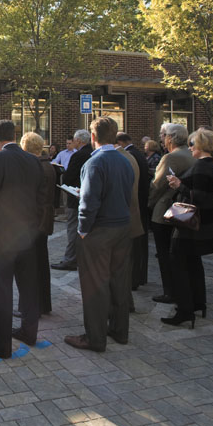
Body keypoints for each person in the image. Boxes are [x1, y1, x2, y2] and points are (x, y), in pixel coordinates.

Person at [64, 116, 134, 352]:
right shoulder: (124, 160)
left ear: (93, 136)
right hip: (122, 226)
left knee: (95, 284)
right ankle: (119, 330)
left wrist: (83, 229)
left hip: (100, 229)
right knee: (119, 281)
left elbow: (88, 201)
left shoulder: (94, 163)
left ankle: (95, 337)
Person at [0, 120, 46, 359]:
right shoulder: (34, 161)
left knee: (1, 290)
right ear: (15, 135)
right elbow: (41, 199)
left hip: (0, 236)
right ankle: (29, 332)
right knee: (29, 287)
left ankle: (1, 345)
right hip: (28, 235)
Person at [163, 128, 213, 327]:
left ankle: (185, 310)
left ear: (202, 145)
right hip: (198, 223)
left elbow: (200, 197)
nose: (190, 148)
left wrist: (178, 185)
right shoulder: (208, 164)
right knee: (193, 263)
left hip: (190, 223)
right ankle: (197, 303)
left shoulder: (203, 166)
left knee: (180, 264)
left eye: (192, 144)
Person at [147, 124, 195, 304]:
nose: (161, 138)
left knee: (165, 254)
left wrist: (149, 204)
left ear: (170, 138)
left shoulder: (171, 157)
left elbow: (157, 185)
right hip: (182, 209)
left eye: (163, 135)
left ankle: (170, 291)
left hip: (166, 209)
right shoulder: (190, 154)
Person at [20, 132, 55, 315]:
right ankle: (43, 304)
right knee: (41, 262)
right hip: (45, 219)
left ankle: (31, 306)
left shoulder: (33, 167)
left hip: (33, 220)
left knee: (30, 265)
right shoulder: (48, 165)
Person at [52, 129, 92, 271]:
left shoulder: (79, 155)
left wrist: (64, 175)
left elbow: (69, 177)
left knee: (73, 229)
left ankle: (70, 259)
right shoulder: (92, 153)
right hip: (89, 198)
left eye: (74, 140)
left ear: (79, 141)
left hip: (75, 197)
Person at [117, 132, 150, 289]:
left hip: (135, 204)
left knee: (134, 248)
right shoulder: (137, 154)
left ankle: (135, 278)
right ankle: (139, 276)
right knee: (140, 246)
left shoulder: (129, 156)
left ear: (120, 143)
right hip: (141, 204)